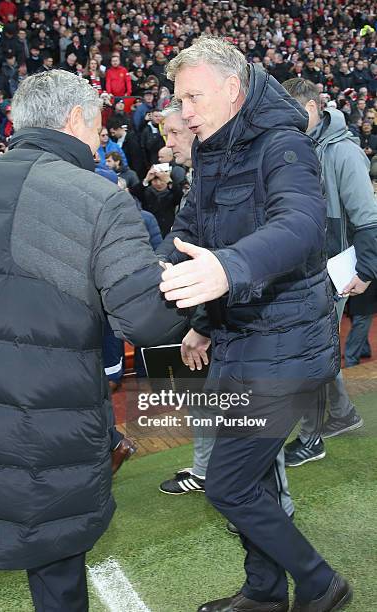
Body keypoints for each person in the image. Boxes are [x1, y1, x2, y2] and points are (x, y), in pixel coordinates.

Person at [0, 69, 186, 611]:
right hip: (49, 435)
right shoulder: (100, 200)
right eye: (99, 126)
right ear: (76, 119)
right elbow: (146, 325)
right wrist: (197, 285)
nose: (102, 137)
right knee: (55, 581)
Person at [158, 36, 351, 612]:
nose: (184, 111)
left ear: (233, 90)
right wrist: (198, 317)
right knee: (257, 481)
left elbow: (301, 227)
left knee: (229, 483)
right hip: (240, 342)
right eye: (179, 99)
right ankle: (265, 592)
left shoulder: (282, 144)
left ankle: (319, 582)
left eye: (193, 97)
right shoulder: (215, 151)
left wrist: (229, 268)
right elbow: (186, 237)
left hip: (286, 346)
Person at [282, 78, 377, 464]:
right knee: (316, 348)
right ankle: (341, 415)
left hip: (333, 268)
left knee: (310, 350)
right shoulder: (297, 146)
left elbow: (368, 219)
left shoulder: (343, 153)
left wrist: (367, 270)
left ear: (309, 110)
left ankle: (312, 436)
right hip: (301, 268)